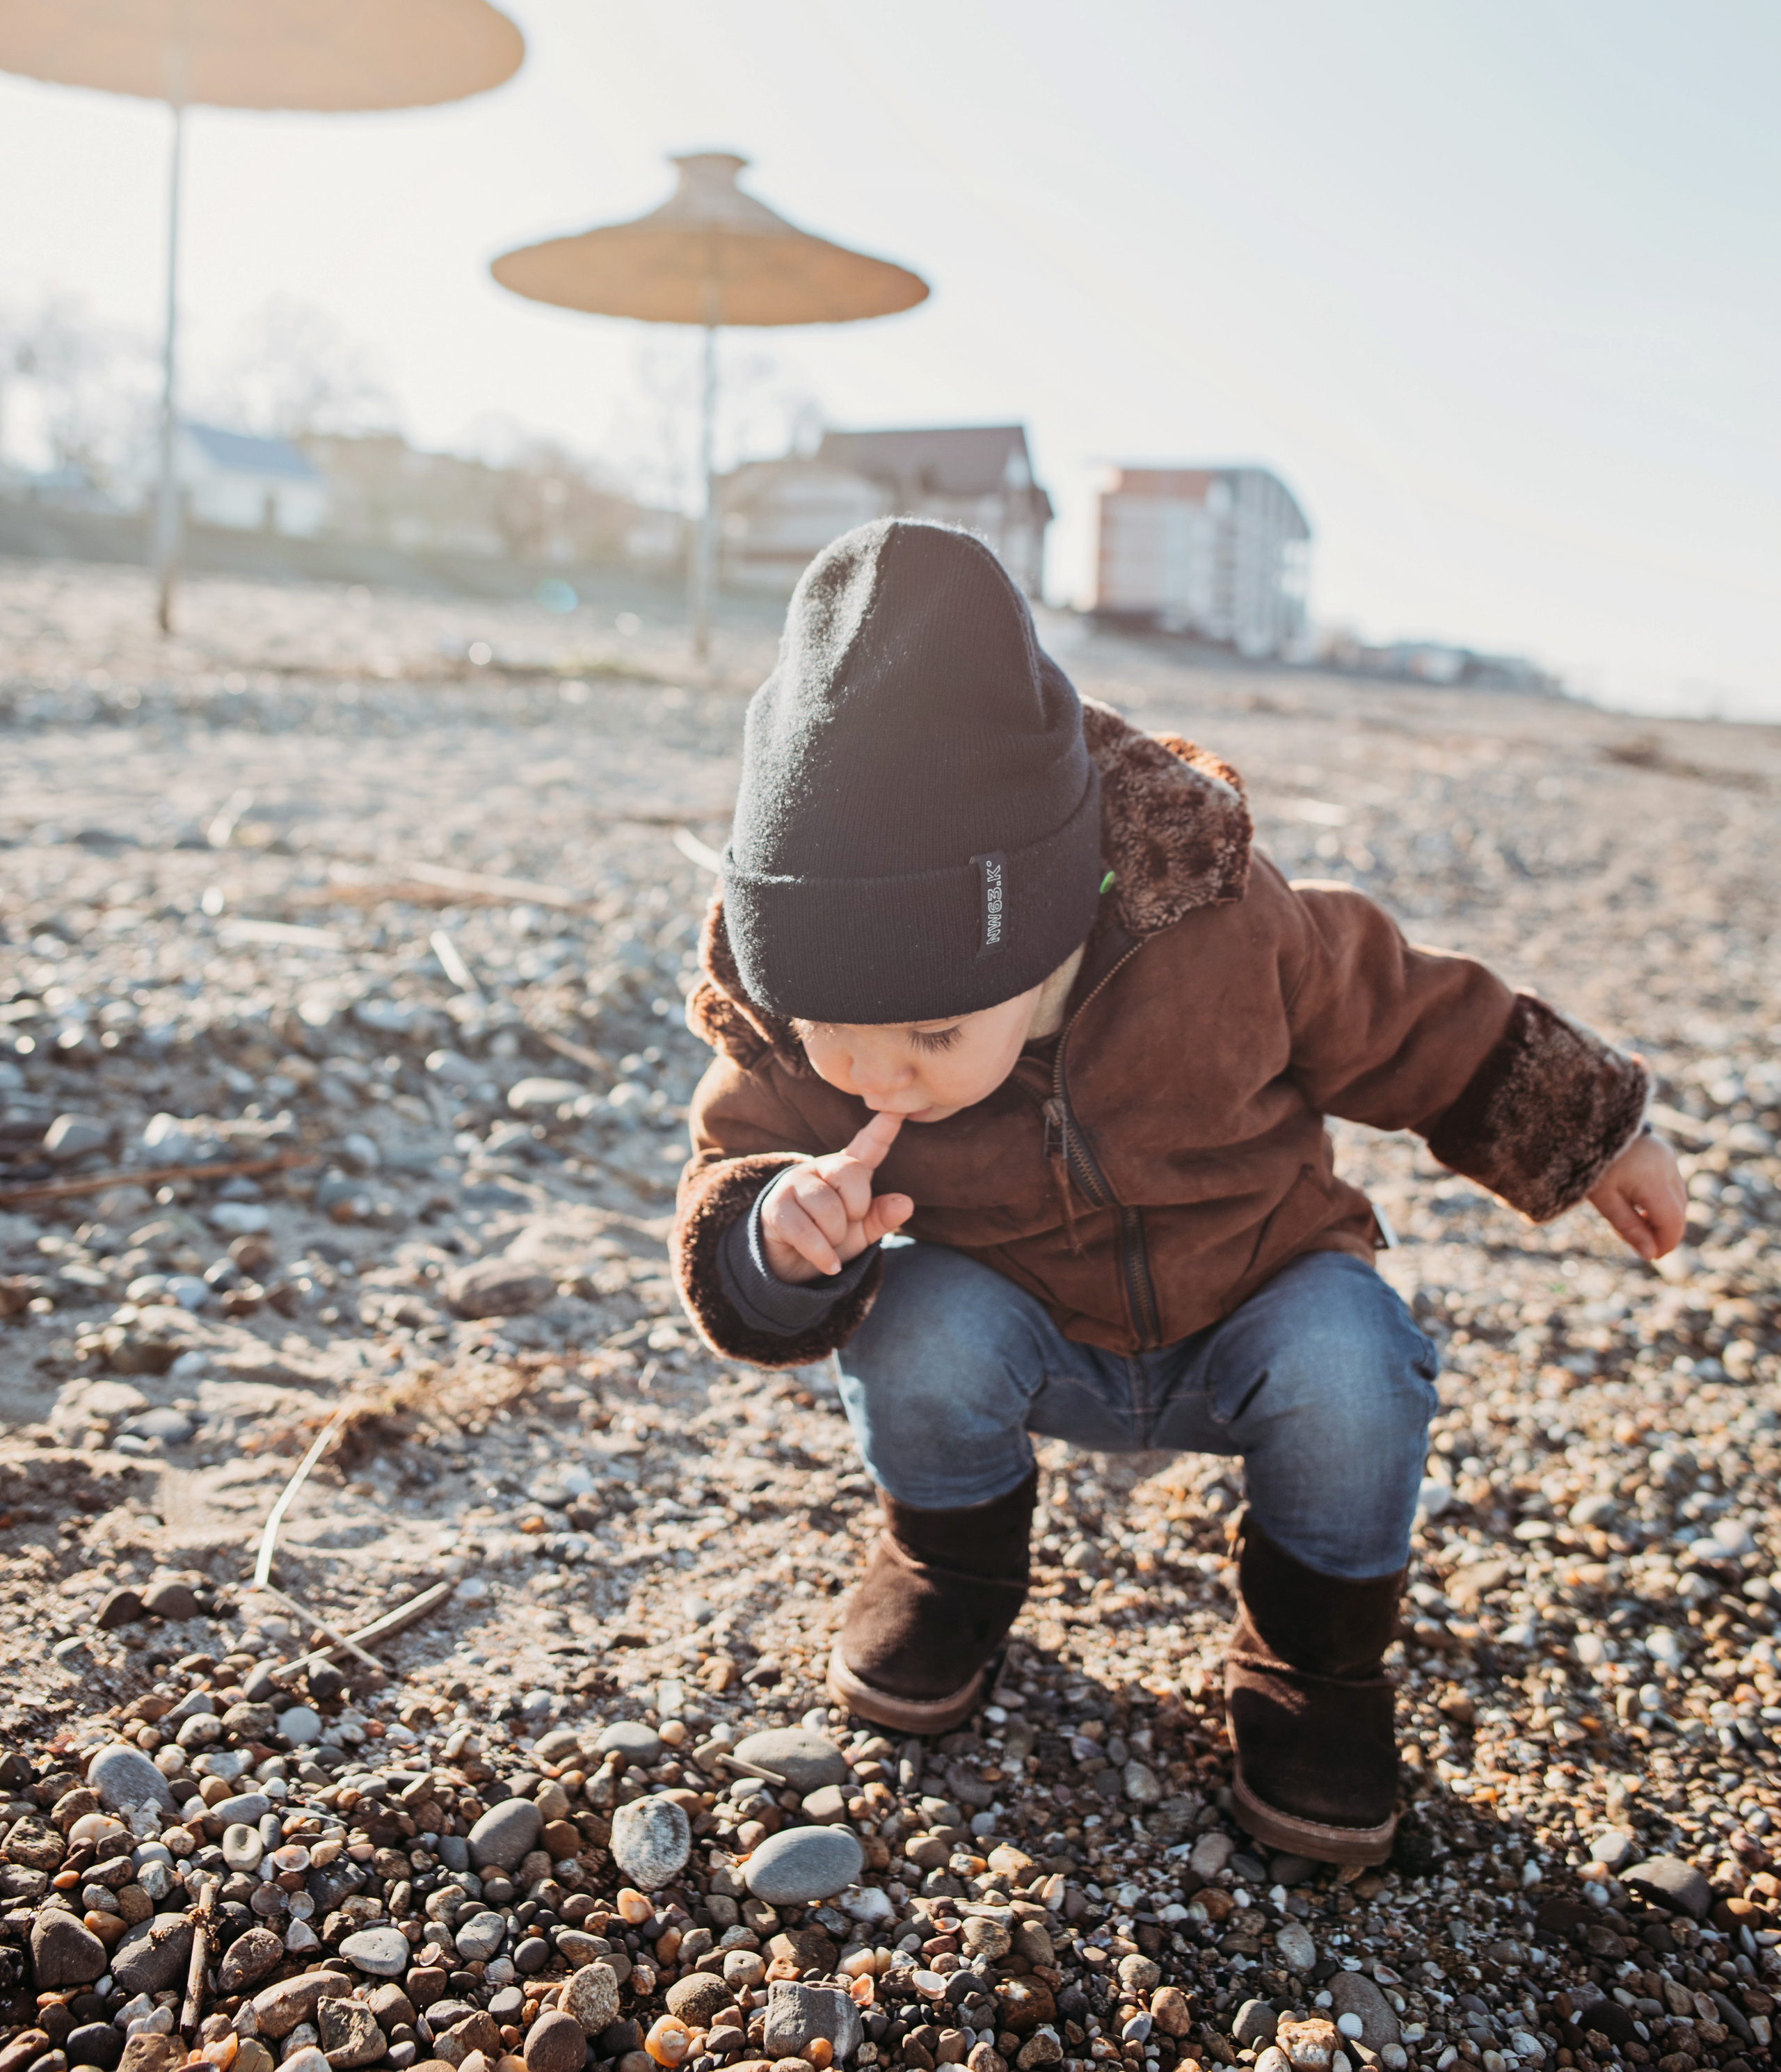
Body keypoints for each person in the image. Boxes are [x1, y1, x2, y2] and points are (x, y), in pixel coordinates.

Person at [672, 519, 1685, 1864]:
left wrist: (1597, 1130)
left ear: (1038, 928)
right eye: (833, 1038)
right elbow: (729, 1168)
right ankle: (951, 1567)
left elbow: (1412, 1017)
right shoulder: (796, 1032)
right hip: (1019, 1322)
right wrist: (777, 1236)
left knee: (1358, 1363)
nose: (880, 1080)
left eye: (928, 1041)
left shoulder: (1213, 919)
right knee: (911, 1323)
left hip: (1252, 1304)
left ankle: (1315, 1662)